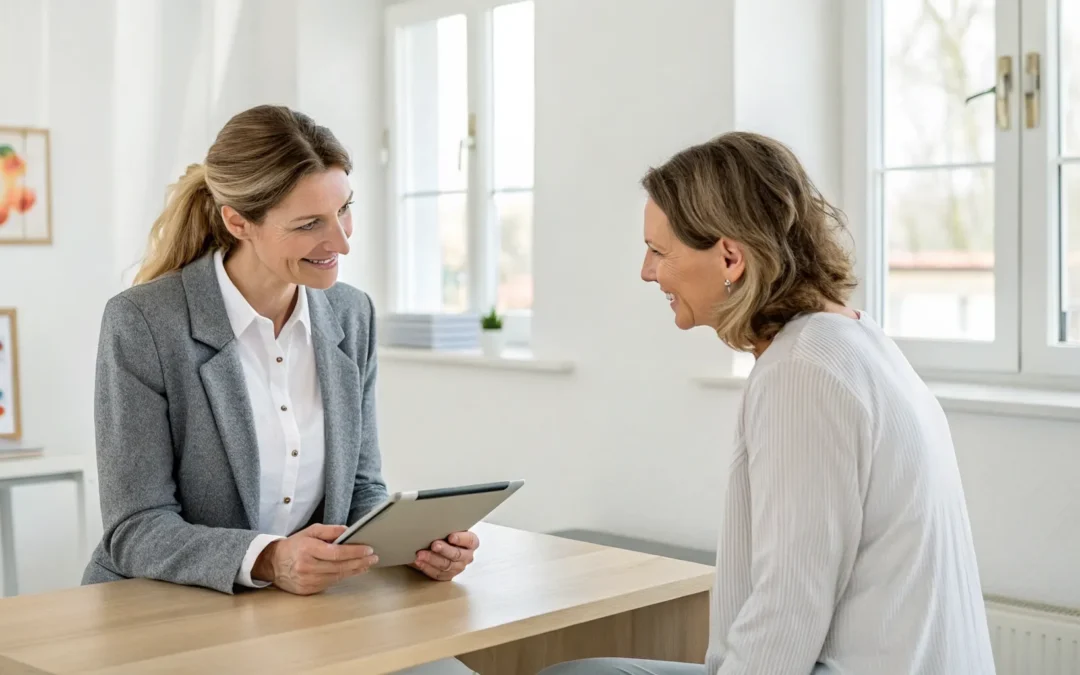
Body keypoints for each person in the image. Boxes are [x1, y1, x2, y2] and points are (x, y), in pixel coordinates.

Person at [540, 133, 996, 675]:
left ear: (730, 257)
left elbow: (789, 609)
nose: (647, 271)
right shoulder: (854, 340)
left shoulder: (802, 371)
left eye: (659, 251)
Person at [82, 105, 477, 674]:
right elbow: (135, 528)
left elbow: (361, 486)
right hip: (168, 620)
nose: (340, 242)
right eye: (309, 223)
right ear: (238, 222)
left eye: (345, 210)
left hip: (306, 618)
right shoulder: (144, 323)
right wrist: (268, 559)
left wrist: (412, 544)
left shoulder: (351, 314)